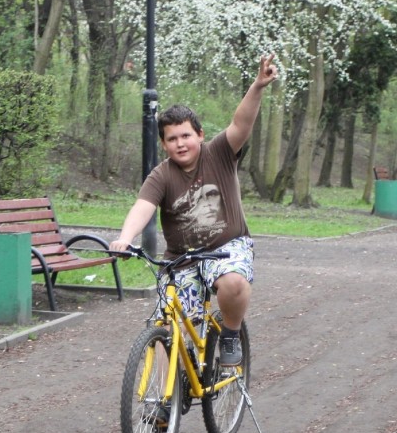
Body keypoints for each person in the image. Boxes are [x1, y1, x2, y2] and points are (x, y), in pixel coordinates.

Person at [109, 54, 279, 365]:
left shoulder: (219, 153)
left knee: (233, 282)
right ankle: (160, 404)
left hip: (226, 248)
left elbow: (241, 123)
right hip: (182, 260)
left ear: (199, 135)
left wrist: (257, 86)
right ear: (164, 144)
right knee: (164, 329)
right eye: (172, 139)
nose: (180, 143)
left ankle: (229, 333)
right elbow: (142, 207)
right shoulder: (161, 175)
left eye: (186, 135)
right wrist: (125, 237)